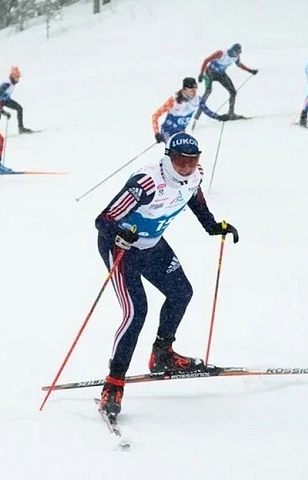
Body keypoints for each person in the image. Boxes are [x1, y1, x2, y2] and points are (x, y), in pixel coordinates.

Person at [94, 132, 239, 417]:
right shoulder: (146, 183)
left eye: (191, 160)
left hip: (152, 245)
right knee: (137, 312)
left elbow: (193, 198)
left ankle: (162, 354)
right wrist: (120, 234)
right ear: (169, 157)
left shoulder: (195, 174)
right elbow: (103, 220)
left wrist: (213, 226)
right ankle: (113, 384)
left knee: (181, 292)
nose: (185, 166)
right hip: (121, 248)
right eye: (179, 161)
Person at [195, 43, 257, 120]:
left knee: (233, 92)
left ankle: (231, 113)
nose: (236, 55)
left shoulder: (236, 56)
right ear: (231, 50)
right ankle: (198, 115)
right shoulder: (221, 53)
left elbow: (239, 64)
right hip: (210, 73)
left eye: (238, 53)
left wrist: (250, 71)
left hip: (221, 74)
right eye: (235, 53)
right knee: (208, 91)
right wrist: (201, 73)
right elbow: (206, 60)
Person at [152, 77, 223, 143]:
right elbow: (155, 116)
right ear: (184, 90)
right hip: (168, 131)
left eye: (195, 89)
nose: (194, 92)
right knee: (174, 151)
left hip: (181, 132)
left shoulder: (197, 99)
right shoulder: (174, 100)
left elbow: (207, 111)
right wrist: (157, 133)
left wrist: (219, 117)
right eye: (191, 90)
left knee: (185, 153)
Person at [0, 66, 34, 133]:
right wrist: (1, 109)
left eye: (18, 77)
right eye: (16, 77)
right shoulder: (7, 83)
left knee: (19, 108)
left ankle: (21, 128)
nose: (18, 79)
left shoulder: (12, 82)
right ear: (12, 76)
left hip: (6, 100)